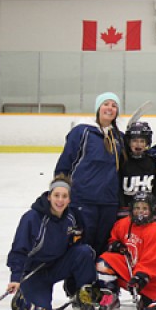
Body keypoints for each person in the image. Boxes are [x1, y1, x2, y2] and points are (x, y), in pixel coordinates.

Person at [7, 174, 96, 310]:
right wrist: (16, 277)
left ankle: (82, 296)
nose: (60, 200)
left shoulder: (72, 217)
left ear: (69, 199)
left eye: (64, 196)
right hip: (35, 271)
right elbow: (18, 250)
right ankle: (23, 295)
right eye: (56, 195)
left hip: (57, 266)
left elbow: (77, 247)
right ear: (49, 196)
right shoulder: (31, 218)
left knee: (84, 251)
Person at [54, 92, 125, 257]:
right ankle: (77, 283)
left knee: (102, 247)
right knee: (81, 246)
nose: (110, 108)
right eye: (106, 104)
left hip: (109, 202)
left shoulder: (118, 137)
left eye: (114, 106)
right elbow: (65, 163)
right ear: (98, 108)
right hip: (83, 200)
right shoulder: (82, 132)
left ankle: (98, 282)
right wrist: (60, 190)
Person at [83, 191, 156, 310]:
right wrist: (115, 245)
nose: (140, 212)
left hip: (151, 279)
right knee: (104, 261)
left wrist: (139, 277)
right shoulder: (124, 223)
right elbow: (113, 238)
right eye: (137, 208)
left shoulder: (154, 232)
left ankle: (146, 301)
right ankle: (110, 297)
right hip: (130, 269)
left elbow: (152, 262)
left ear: (151, 210)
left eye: (145, 208)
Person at [118, 121, 156, 220]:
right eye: (134, 141)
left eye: (142, 141)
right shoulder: (122, 161)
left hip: (147, 213)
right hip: (126, 213)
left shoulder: (153, 162)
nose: (138, 145)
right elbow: (117, 189)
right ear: (128, 142)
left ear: (147, 143)